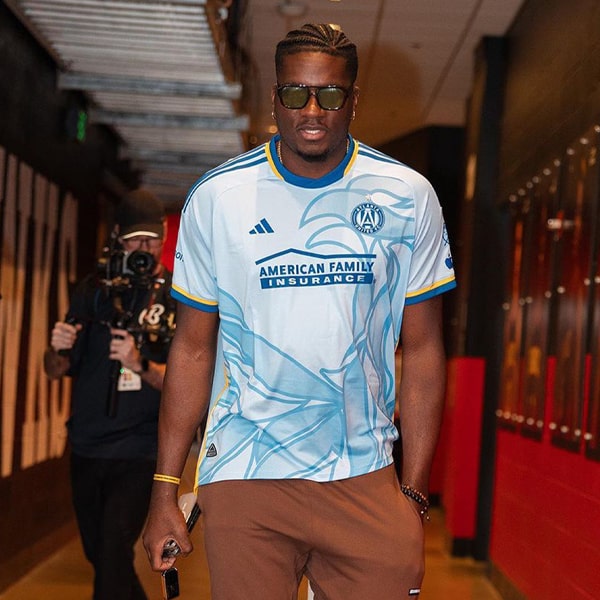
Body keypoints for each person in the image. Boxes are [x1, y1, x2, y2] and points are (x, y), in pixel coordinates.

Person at [143, 23, 456, 600]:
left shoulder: (406, 196)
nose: (312, 111)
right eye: (295, 93)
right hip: (246, 471)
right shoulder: (217, 197)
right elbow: (192, 348)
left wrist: (414, 493)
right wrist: (165, 488)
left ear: (353, 101)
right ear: (275, 98)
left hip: (363, 475)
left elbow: (423, 349)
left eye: (330, 95)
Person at [44, 188, 176, 600]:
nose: (144, 249)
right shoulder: (92, 291)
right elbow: (55, 370)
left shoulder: (175, 295)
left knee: (112, 551)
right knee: (101, 556)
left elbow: (186, 384)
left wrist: (141, 364)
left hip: (139, 450)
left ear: (164, 235)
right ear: (118, 237)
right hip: (86, 446)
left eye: (152, 240)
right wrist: (57, 348)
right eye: (135, 240)